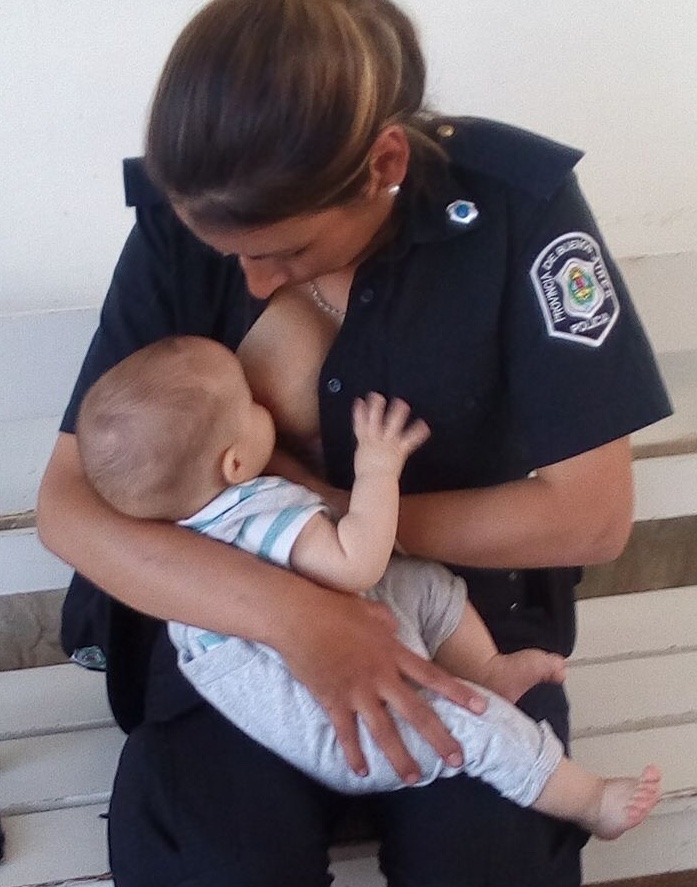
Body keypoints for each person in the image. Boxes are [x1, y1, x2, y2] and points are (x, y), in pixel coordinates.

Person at [35, 0, 672, 887]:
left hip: (461, 635)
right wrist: (303, 612)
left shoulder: (516, 209)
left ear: (383, 163)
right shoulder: (197, 208)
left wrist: (346, 522)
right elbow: (71, 507)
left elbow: (589, 515)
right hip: (230, 631)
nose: (249, 279)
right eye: (224, 250)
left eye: (283, 248)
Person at [74, 333, 662, 833]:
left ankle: (484, 670)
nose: (263, 407)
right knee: (476, 729)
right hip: (352, 726)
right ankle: (588, 801)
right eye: (250, 406)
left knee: (424, 586)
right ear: (234, 464)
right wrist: (377, 470)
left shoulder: (182, 535)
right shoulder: (257, 514)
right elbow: (359, 564)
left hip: (323, 678)